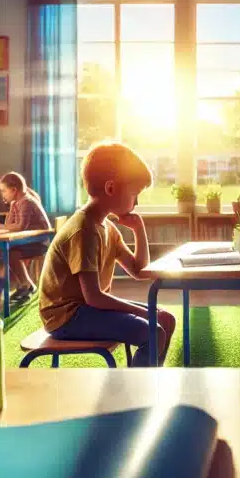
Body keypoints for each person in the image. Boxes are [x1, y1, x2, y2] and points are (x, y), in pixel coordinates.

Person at [38, 141, 176, 366]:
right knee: (155, 331)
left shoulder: (108, 229)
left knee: (166, 320)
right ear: (111, 189)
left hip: (88, 310)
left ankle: (151, 381)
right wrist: (144, 313)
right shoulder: (84, 229)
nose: (137, 202)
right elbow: (94, 297)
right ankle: (133, 391)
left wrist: (139, 229)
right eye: (135, 194)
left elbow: (139, 271)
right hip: (67, 317)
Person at [0, 171, 50, 302]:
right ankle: (27, 285)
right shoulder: (18, 202)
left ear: (14, 190)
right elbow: (10, 224)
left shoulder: (27, 202)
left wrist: (1, 227)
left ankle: (27, 285)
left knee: (10, 253)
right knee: (7, 252)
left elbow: (20, 227)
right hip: (30, 240)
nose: (2, 194)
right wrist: (11, 206)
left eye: (4, 191)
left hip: (40, 242)